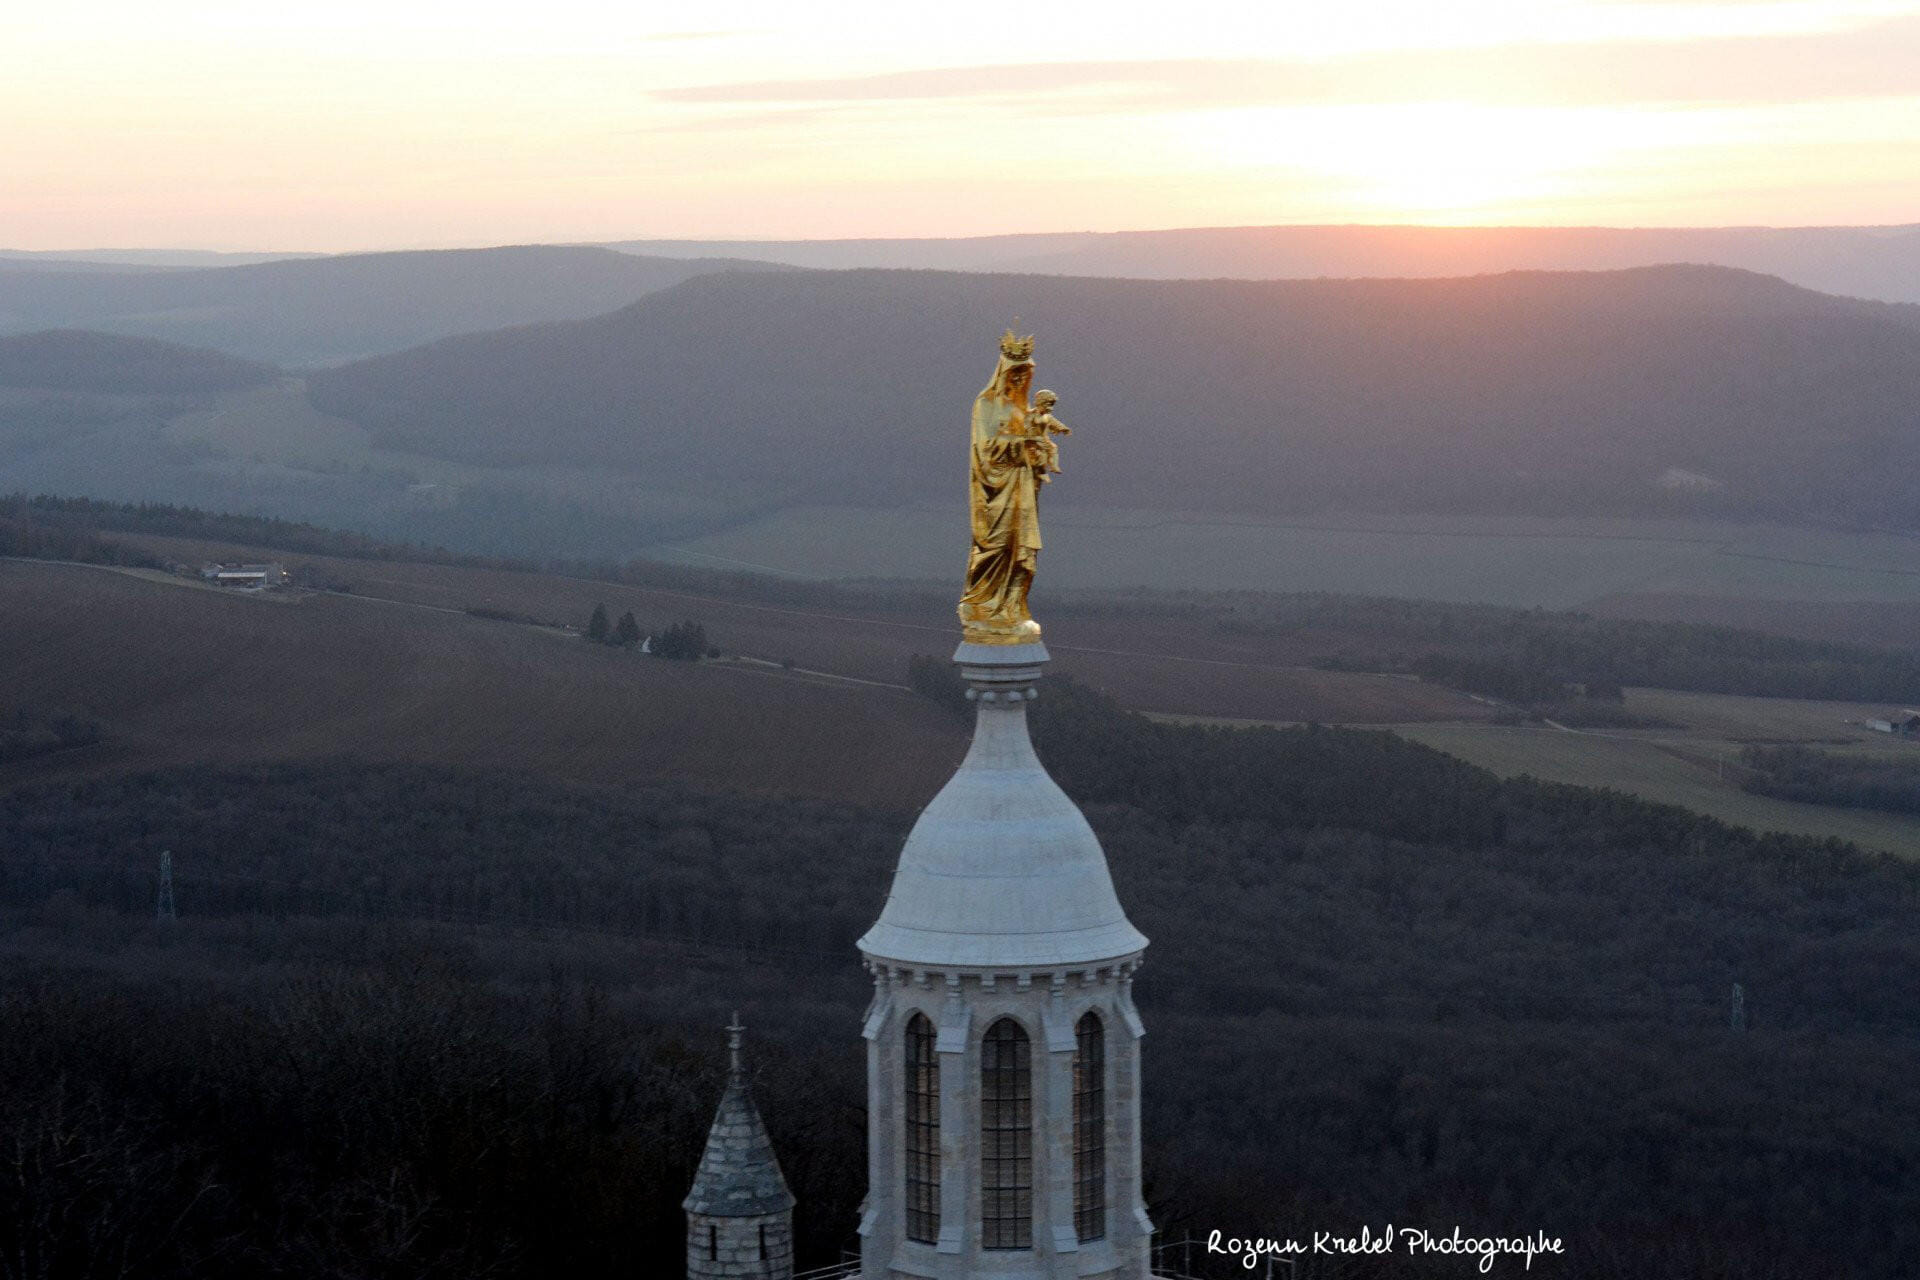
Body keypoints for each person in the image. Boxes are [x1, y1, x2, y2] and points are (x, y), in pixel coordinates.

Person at [957, 330, 1045, 642]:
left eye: (1026, 375)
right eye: (1015, 374)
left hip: (1021, 488)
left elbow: (1034, 447)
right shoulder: (985, 405)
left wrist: (1040, 453)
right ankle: (983, 607)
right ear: (1004, 373)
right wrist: (1022, 443)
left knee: (1021, 554)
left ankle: (1011, 608)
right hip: (994, 492)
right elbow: (986, 447)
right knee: (993, 548)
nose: (1020, 381)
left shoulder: (1024, 410)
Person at [1027, 389, 1071, 482]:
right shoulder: (1031, 415)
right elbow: (1026, 425)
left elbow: (1055, 423)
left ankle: (1053, 466)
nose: (1050, 409)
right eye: (1048, 405)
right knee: (1040, 456)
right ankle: (1041, 473)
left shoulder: (1047, 416)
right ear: (1040, 403)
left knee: (1053, 448)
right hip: (1033, 439)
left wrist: (1063, 428)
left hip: (1044, 439)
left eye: (1051, 406)